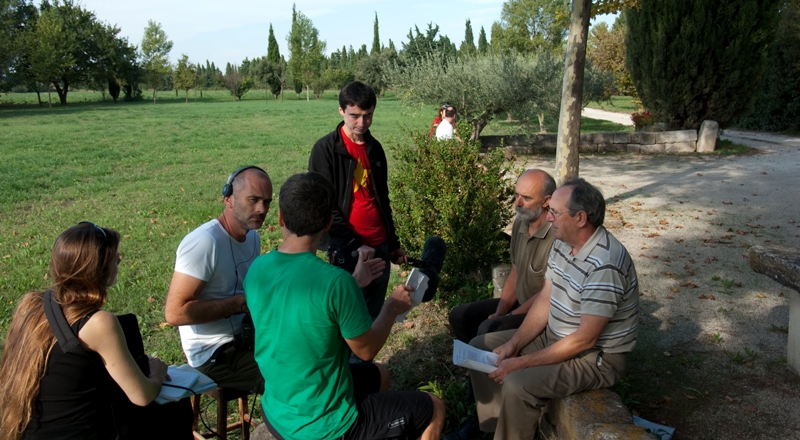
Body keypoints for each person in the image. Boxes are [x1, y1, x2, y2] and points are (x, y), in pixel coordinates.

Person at [244, 172, 445, 440]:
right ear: (328, 222)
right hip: (323, 426)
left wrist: (352, 283)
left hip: (279, 408)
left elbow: (302, 308)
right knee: (434, 407)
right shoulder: (335, 283)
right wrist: (391, 307)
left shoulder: (257, 269)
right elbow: (366, 349)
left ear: (280, 217)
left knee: (380, 374)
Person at [446, 178, 639, 440]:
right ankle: (492, 427)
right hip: (557, 336)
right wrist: (513, 344)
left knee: (517, 382)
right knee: (483, 346)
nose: (549, 219)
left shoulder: (605, 265)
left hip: (594, 357)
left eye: (555, 213)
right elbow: (545, 300)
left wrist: (520, 363)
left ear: (580, 217)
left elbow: (585, 339)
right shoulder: (564, 242)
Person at [0, 222, 192, 440]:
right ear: (98, 269)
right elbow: (142, 395)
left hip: (32, 432)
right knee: (174, 411)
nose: (119, 259)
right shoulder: (99, 323)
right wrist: (156, 373)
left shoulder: (32, 306)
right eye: (114, 257)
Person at [165, 166, 272, 394]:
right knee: (291, 378)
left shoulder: (253, 237)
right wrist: (238, 304)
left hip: (246, 340)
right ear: (228, 198)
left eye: (267, 202)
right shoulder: (204, 242)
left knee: (310, 356)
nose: (262, 209)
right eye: (253, 200)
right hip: (213, 354)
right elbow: (174, 314)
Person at [308, 81, 407, 318]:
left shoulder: (375, 149)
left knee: (371, 315)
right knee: (345, 316)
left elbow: (383, 199)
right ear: (341, 111)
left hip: (379, 245)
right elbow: (324, 206)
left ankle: (366, 357)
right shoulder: (325, 150)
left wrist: (392, 244)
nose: (362, 123)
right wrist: (352, 244)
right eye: (355, 116)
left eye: (368, 115)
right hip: (347, 249)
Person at [448, 169, 556, 343]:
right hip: (520, 303)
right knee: (459, 316)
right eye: (516, 195)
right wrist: (500, 310)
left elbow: (547, 294)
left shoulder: (557, 235)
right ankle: (475, 365)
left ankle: (496, 366)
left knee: (488, 329)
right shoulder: (521, 222)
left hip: (542, 311)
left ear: (547, 201)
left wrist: (510, 315)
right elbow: (515, 271)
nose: (518, 203)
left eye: (527, 198)